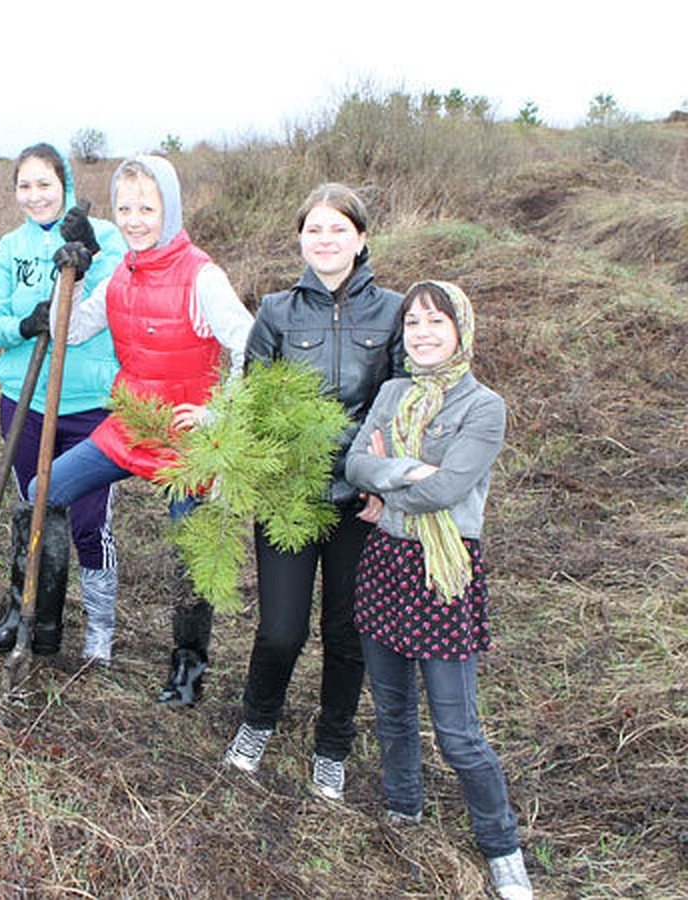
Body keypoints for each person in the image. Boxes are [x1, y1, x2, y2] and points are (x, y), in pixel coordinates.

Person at [0, 155, 252, 701]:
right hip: (129, 425)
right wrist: (75, 273)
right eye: (125, 208)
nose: (134, 219)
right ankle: (42, 623)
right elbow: (71, 331)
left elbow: (252, 346)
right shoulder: (122, 272)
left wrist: (219, 416)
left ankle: (187, 668)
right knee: (42, 491)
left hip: (187, 438)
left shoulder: (202, 276)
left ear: (169, 209)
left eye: (147, 208)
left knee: (190, 546)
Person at [344, 281, 531, 899]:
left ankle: (502, 847)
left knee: (457, 731)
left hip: (442, 574)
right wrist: (407, 470)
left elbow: (449, 491)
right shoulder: (393, 392)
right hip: (385, 566)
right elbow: (354, 466)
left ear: (461, 331)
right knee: (392, 710)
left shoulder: (484, 407)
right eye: (414, 323)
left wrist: (388, 480)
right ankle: (404, 808)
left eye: (436, 322)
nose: (423, 334)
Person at [224, 184, 404, 800]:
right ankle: (257, 720)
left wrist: (385, 486)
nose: (325, 240)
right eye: (314, 230)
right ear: (300, 237)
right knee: (281, 629)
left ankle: (333, 745)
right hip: (288, 497)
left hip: (361, 500)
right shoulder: (275, 312)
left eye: (338, 229)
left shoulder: (394, 312)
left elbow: (403, 406)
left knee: (347, 631)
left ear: (360, 238)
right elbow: (252, 401)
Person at [0, 142, 126, 662]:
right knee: (34, 508)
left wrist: (86, 263)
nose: (35, 196)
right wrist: (24, 325)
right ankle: (34, 620)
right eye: (25, 186)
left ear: (66, 185)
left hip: (91, 402)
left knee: (87, 522)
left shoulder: (109, 240)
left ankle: (100, 628)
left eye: (45, 184)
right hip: (26, 399)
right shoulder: (9, 249)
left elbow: (113, 304)